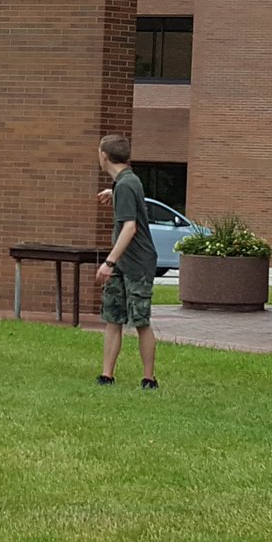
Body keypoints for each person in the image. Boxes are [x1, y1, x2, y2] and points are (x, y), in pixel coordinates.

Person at [95, 134, 158, 389]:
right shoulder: (124, 183)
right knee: (113, 317)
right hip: (123, 262)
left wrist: (109, 263)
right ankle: (107, 375)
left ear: (104, 156)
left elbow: (130, 228)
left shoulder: (127, 183)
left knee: (141, 321)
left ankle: (148, 378)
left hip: (137, 263)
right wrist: (114, 192)